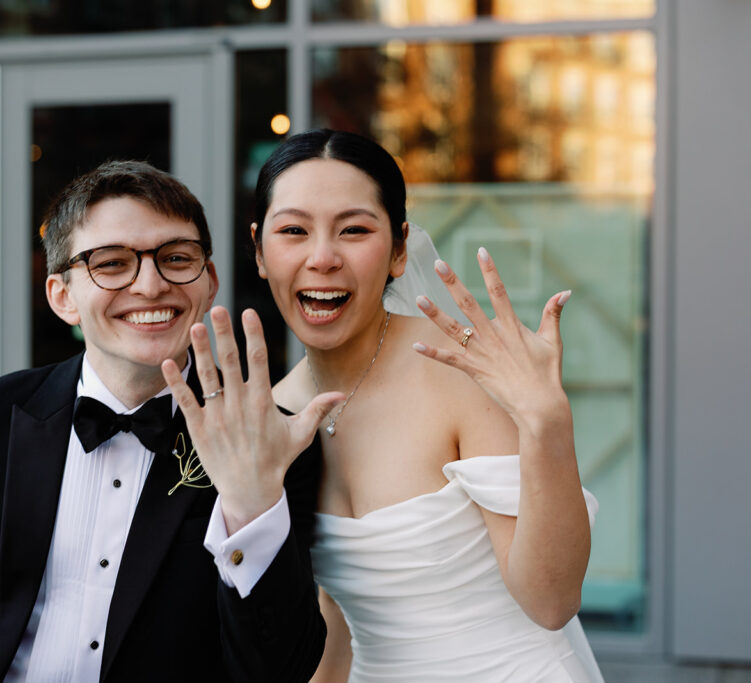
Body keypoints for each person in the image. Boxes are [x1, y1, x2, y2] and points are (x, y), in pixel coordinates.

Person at [0, 160, 341, 682]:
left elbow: (277, 670)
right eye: (111, 263)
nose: (150, 285)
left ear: (208, 280)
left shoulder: (269, 440)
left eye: (176, 258)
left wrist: (250, 504)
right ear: (62, 297)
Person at [250, 129, 603, 682]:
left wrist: (547, 421)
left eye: (354, 230)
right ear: (260, 251)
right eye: (293, 230)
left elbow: (552, 600)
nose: (322, 257)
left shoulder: (458, 371)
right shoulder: (274, 415)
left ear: (397, 251)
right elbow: (330, 624)